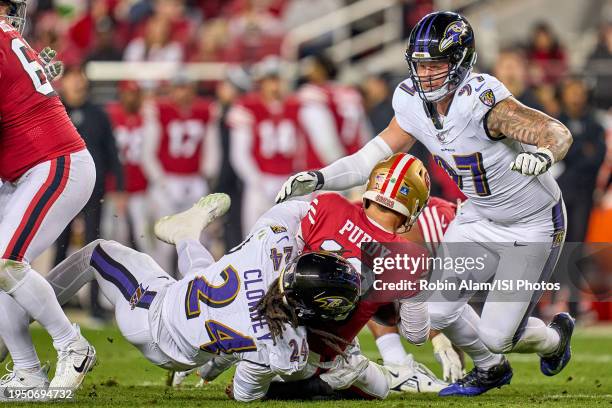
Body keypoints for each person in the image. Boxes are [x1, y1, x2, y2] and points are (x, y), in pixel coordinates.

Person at [276, 11, 575, 397]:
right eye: (420, 64)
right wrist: (319, 177)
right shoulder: (413, 103)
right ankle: (490, 370)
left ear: (461, 61)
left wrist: (546, 155)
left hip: (531, 223)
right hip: (478, 216)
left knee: (499, 335)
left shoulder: (482, 101)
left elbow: (555, 132)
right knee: (435, 311)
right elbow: (369, 160)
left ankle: (555, 338)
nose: (427, 73)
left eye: (436, 64)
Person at [43, 193, 361, 403]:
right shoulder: (287, 349)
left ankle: (19, 314)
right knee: (211, 290)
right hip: (190, 344)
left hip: (152, 315)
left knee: (96, 252)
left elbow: (295, 209)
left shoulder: (272, 244)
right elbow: (243, 394)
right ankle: (186, 234)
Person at [0, 0, 96, 395]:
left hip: (53, 162)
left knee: (6, 262)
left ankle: (71, 344)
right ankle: (27, 371)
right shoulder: (12, 38)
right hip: (27, 169)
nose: (10, 14)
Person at [54, 64, 126, 323]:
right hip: (60, 189)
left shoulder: (98, 114)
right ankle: (53, 303)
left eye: (79, 78)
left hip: (94, 191)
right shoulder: (53, 110)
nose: (77, 83)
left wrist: (119, 187)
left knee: (94, 246)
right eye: (72, 78)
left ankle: (95, 304)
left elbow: (112, 151)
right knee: (59, 245)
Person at [142, 73, 216, 274]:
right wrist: (160, 180)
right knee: (164, 240)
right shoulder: (160, 110)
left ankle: (196, 285)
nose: (183, 93)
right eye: (179, 87)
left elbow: (211, 148)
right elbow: (147, 151)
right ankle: (164, 285)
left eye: (187, 87)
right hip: (167, 180)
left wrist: (207, 175)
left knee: (200, 239)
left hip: (194, 179)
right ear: (172, 89)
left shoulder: (204, 111)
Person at [227, 57, 301, 234]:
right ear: (261, 82)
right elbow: (239, 153)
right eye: (270, 80)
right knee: (253, 239)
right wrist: (255, 181)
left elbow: (302, 147)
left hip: (288, 179)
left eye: (277, 79)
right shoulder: (247, 107)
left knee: (290, 239)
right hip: (260, 179)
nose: (275, 85)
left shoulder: (295, 105)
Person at [106, 80, 151, 254]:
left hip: (141, 185)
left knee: (144, 235)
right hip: (115, 186)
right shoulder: (111, 115)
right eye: (127, 93)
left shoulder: (147, 117)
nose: (131, 98)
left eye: (134, 94)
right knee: (115, 236)